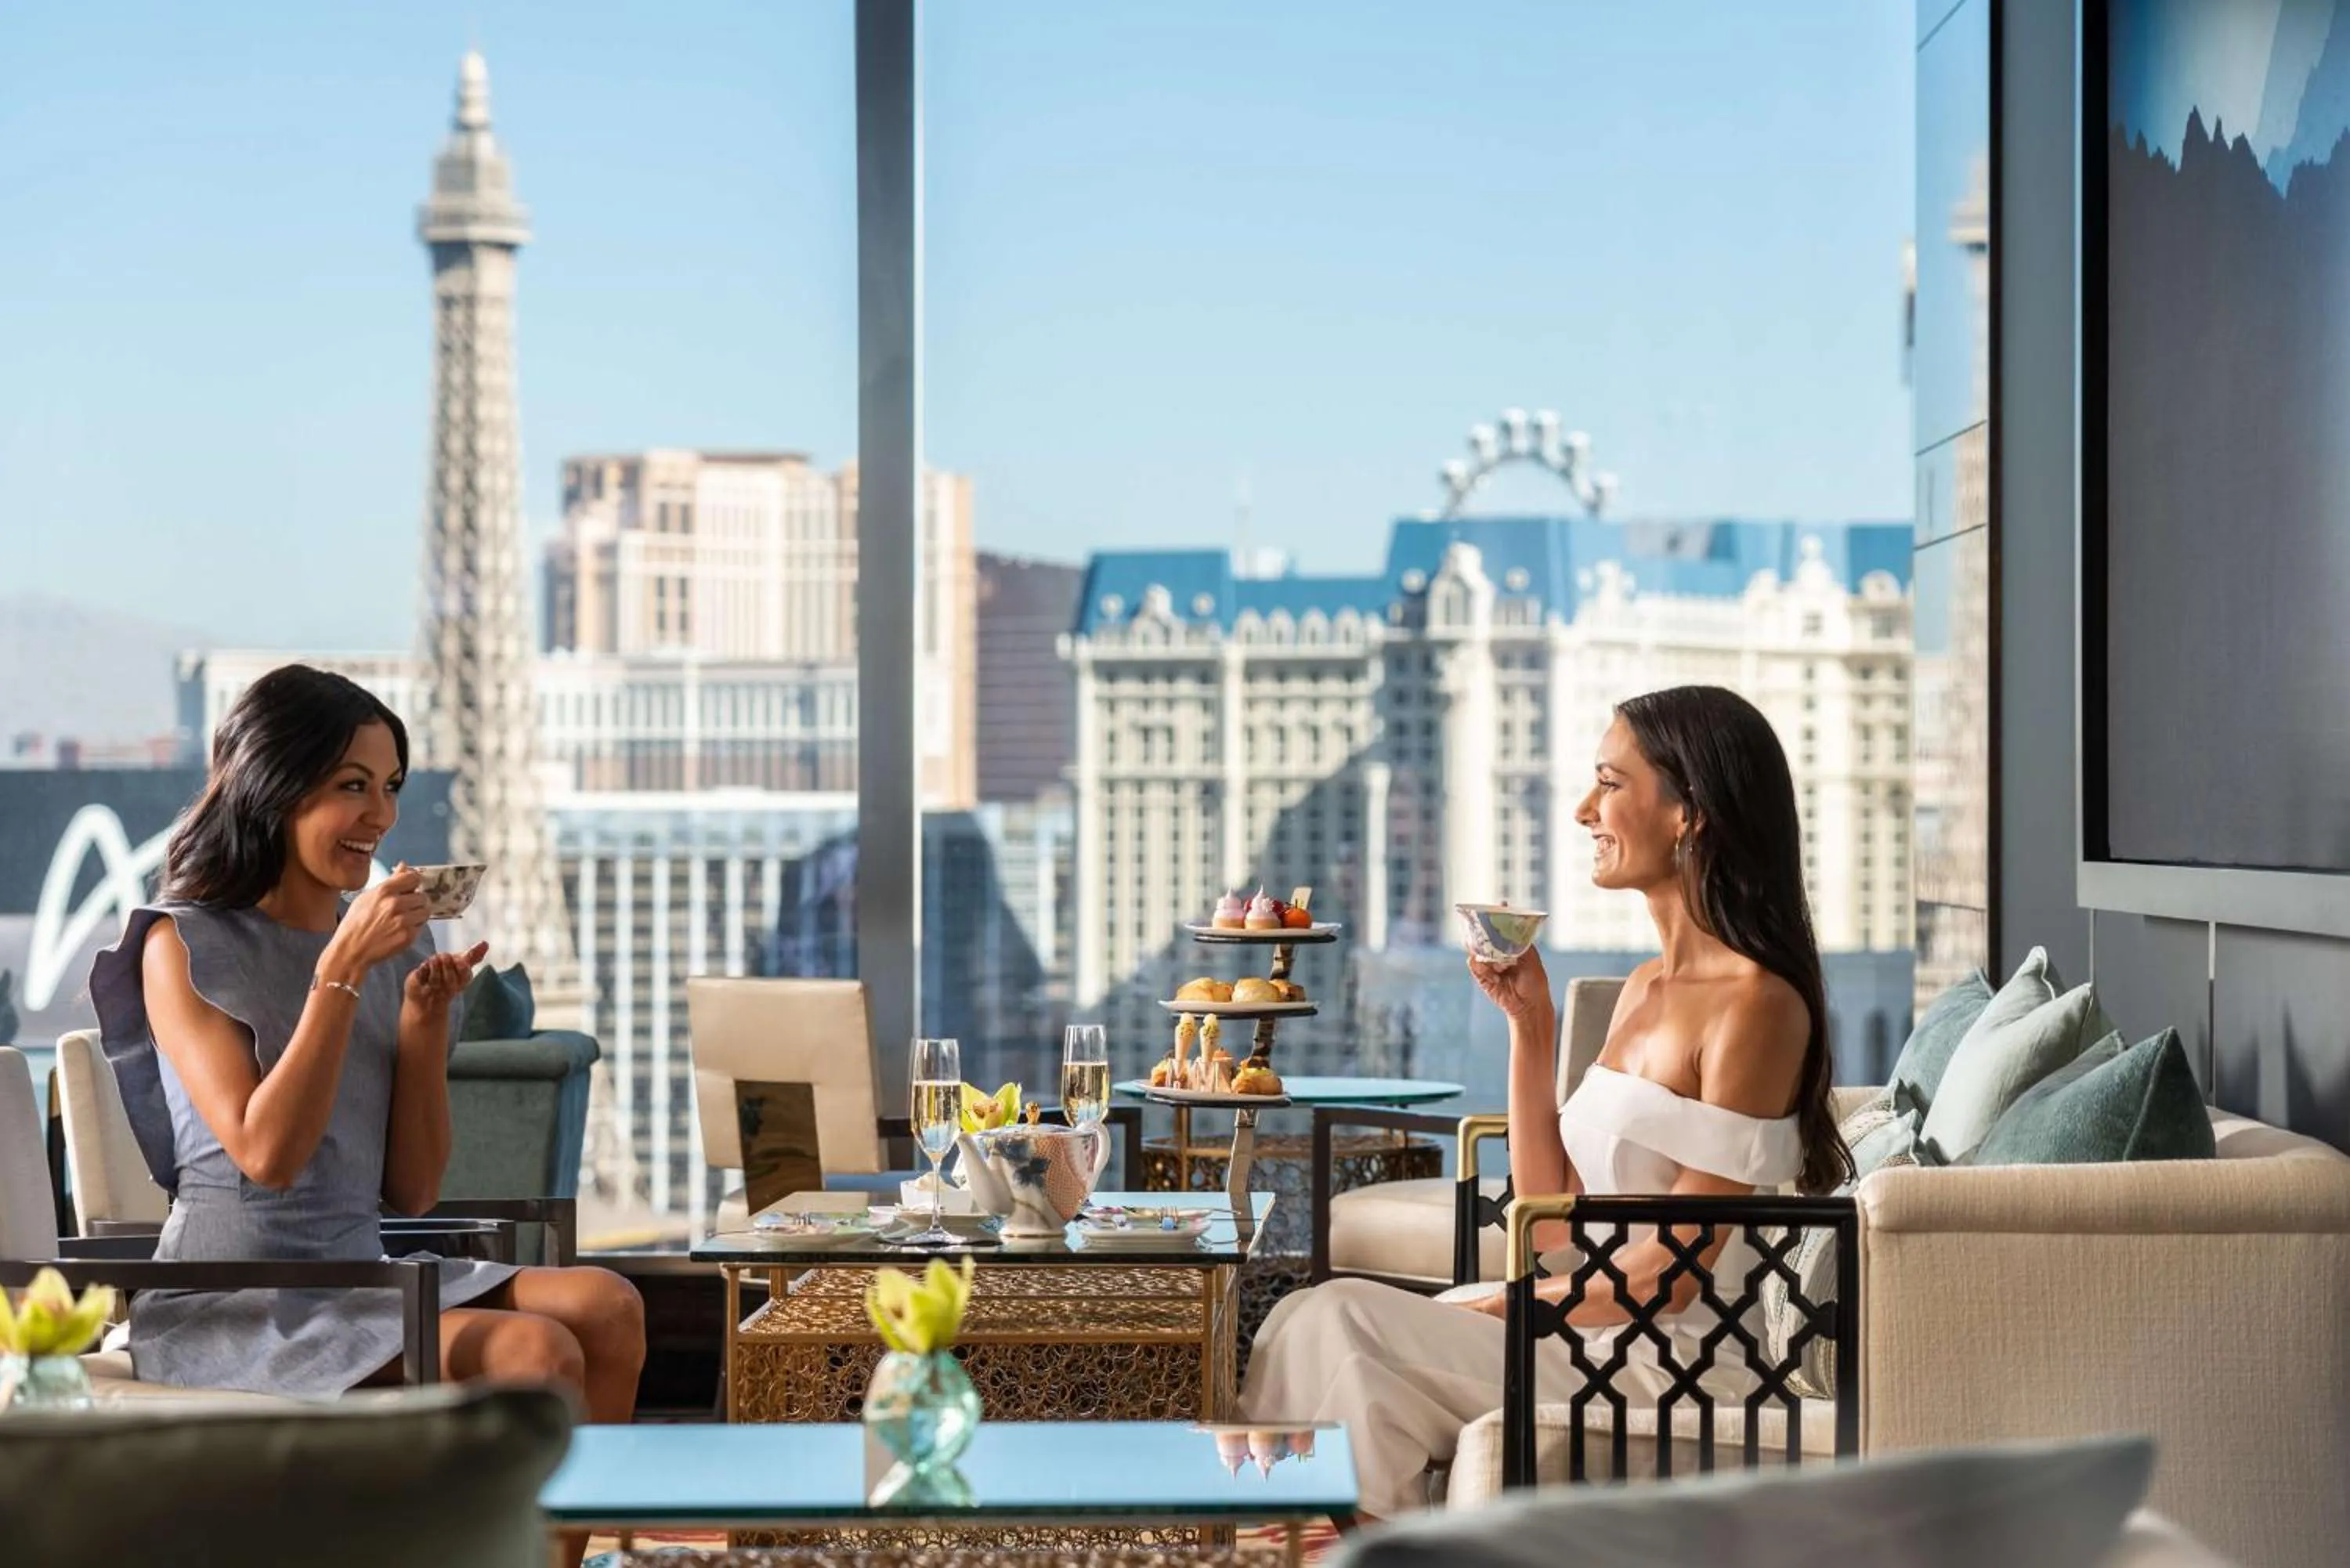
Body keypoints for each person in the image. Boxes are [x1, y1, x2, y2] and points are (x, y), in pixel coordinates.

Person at [1240, 685, 1851, 1517]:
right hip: (1592, 1329)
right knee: (1301, 1316)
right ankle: (1322, 1539)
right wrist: (1532, 1025)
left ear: (1689, 813)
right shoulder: (1643, 988)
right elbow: (1554, 1224)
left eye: (1610, 783)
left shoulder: (1758, 1006)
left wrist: (1510, 1304)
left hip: (1670, 1365)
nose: (1583, 810)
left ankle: (1357, 1542)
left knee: (1341, 1322)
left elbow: (1672, 1280)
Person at [89, 663, 645, 1422]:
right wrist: (342, 968)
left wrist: (422, 1027)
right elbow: (268, 1155)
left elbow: (413, 1192)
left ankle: (581, 1508)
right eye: (353, 786)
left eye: (391, 787)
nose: (380, 815)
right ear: (275, 786)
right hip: (230, 1302)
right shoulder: (182, 945)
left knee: (610, 1306)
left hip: (364, 1277)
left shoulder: (397, 952)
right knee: (536, 1351)